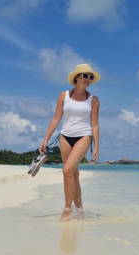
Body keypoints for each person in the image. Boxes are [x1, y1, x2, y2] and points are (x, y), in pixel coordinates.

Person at [39, 63, 100, 221]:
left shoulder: (93, 100)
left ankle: (67, 210)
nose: (88, 79)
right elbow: (56, 118)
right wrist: (45, 139)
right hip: (65, 137)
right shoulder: (63, 96)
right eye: (85, 75)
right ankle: (79, 209)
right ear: (76, 77)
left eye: (90, 77)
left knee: (66, 170)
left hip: (84, 137)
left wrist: (96, 147)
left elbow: (94, 124)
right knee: (73, 174)